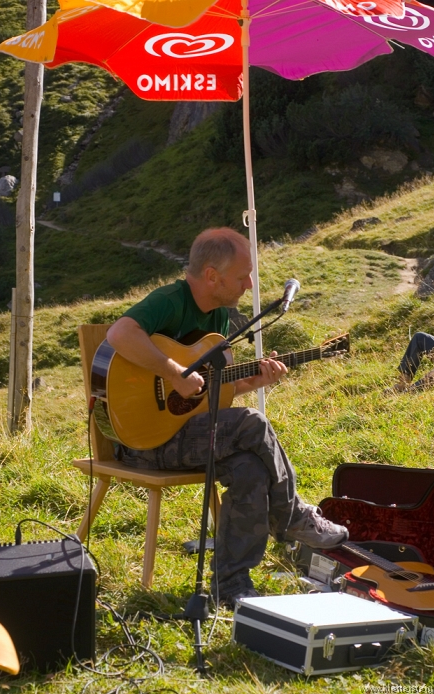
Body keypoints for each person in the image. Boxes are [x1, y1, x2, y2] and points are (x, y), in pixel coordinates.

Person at [106, 227, 348, 607]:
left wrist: (253, 381)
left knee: (250, 468)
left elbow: (210, 396)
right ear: (212, 277)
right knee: (252, 422)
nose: (249, 285)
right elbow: (120, 334)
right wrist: (173, 373)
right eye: (241, 276)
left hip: (187, 434)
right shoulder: (170, 300)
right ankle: (292, 515)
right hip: (141, 440)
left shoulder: (220, 317)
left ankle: (230, 585)